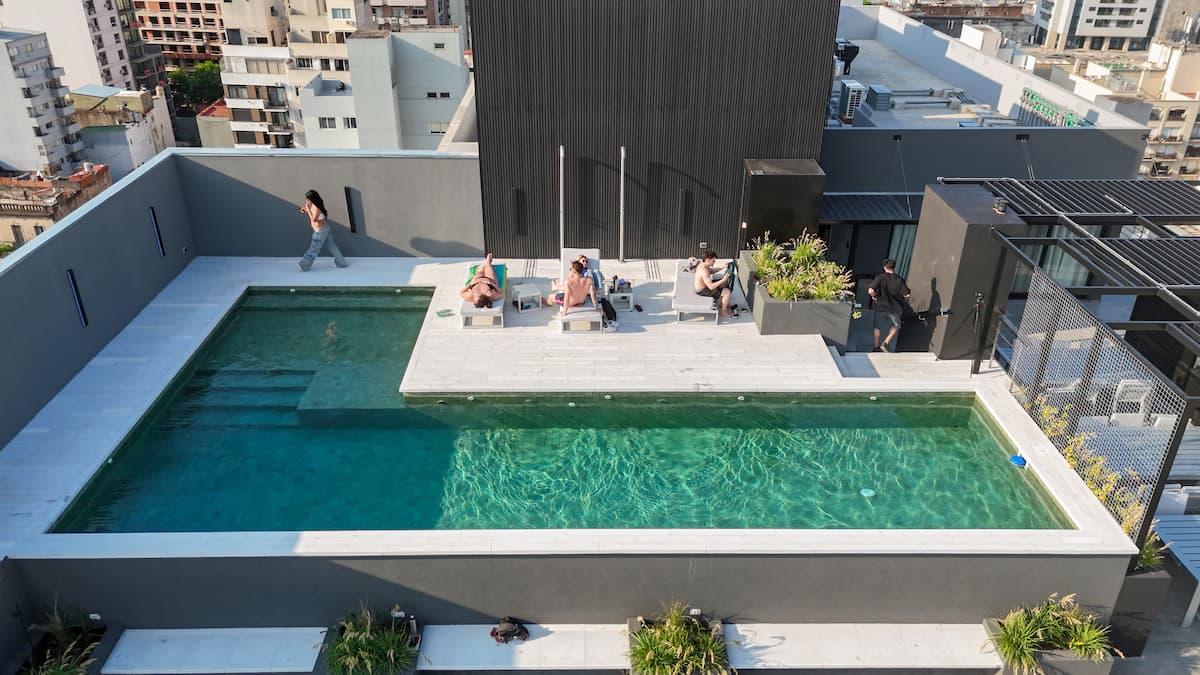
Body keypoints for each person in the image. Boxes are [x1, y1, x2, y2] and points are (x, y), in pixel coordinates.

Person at [297, 189, 348, 271]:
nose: (307, 201)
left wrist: (308, 210)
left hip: (320, 231)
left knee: (314, 249)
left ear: (312, 199)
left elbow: (313, 219)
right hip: (324, 229)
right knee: (332, 246)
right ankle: (342, 263)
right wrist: (305, 210)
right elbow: (313, 214)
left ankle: (304, 265)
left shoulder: (317, 208)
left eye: (308, 199)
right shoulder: (314, 205)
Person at [868, 258, 911, 353]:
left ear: (884, 267)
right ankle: (886, 342)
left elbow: (870, 290)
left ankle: (876, 346)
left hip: (881, 307)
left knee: (877, 327)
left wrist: (874, 296)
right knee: (897, 325)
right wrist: (903, 299)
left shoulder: (880, 277)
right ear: (894, 267)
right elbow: (907, 295)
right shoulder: (899, 279)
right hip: (895, 308)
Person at [694, 249, 734, 319]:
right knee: (727, 292)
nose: (714, 262)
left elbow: (712, 271)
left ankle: (723, 303)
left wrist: (723, 267)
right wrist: (723, 279)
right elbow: (711, 287)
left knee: (724, 283)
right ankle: (723, 313)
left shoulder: (704, 265)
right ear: (708, 260)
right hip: (703, 291)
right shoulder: (704, 271)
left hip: (706, 286)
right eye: (713, 260)